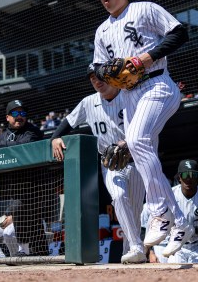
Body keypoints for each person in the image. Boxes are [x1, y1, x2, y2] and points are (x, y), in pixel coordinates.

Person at [91, 0, 192, 257]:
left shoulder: (144, 9)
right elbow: (97, 66)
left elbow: (179, 32)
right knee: (144, 154)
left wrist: (144, 58)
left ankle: (160, 212)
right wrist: (106, 72)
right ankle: (180, 223)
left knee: (136, 140)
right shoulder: (102, 31)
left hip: (157, 84)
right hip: (129, 96)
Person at [51, 64, 146, 264]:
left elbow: (146, 124)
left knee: (135, 211)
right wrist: (55, 137)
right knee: (119, 197)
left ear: (111, 76)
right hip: (110, 161)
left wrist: (128, 141)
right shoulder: (88, 102)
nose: (96, 81)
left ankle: (133, 253)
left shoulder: (129, 94)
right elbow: (68, 122)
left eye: (99, 76)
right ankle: (137, 247)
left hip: (136, 158)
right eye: (92, 78)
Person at [0, 100, 51, 256]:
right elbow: (3, 143)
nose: (20, 117)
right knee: (32, 225)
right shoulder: (4, 135)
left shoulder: (33, 131)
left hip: (36, 187)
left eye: (23, 113)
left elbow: (22, 145)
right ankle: (41, 255)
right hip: (16, 189)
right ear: (8, 117)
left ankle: (25, 252)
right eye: (15, 114)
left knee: (23, 216)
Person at [152, 160, 198, 263]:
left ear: (197, 176)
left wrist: (191, 229)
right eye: (185, 175)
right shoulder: (170, 195)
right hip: (177, 243)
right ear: (179, 177)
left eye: (192, 174)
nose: (189, 178)